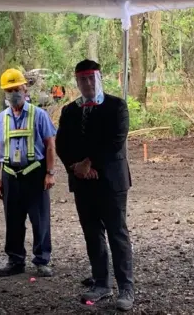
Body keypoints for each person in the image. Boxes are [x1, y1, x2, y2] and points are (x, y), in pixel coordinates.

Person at [55, 59, 133, 311]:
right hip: (81, 181)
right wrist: (74, 166)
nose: (87, 83)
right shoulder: (70, 111)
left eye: (92, 78)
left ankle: (126, 287)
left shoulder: (116, 106)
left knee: (117, 233)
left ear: (100, 79)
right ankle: (101, 282)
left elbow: (116, 140)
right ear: (76, 82)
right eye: (82, 79)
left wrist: (89, 163)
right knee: (92, 234)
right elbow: (61, 144)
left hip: (111, 181)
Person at [0, 68, 56, 277]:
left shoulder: (39, 115)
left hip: (35, 174)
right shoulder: (0, 119)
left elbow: (50, 146)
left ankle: (42, 260)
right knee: (13, 220)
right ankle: (15, 260)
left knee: (40, 219)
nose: (13, 94)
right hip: (10, 175)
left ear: (25, 88)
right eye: (8, 91)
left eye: (16, 89)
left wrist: (50, 173)